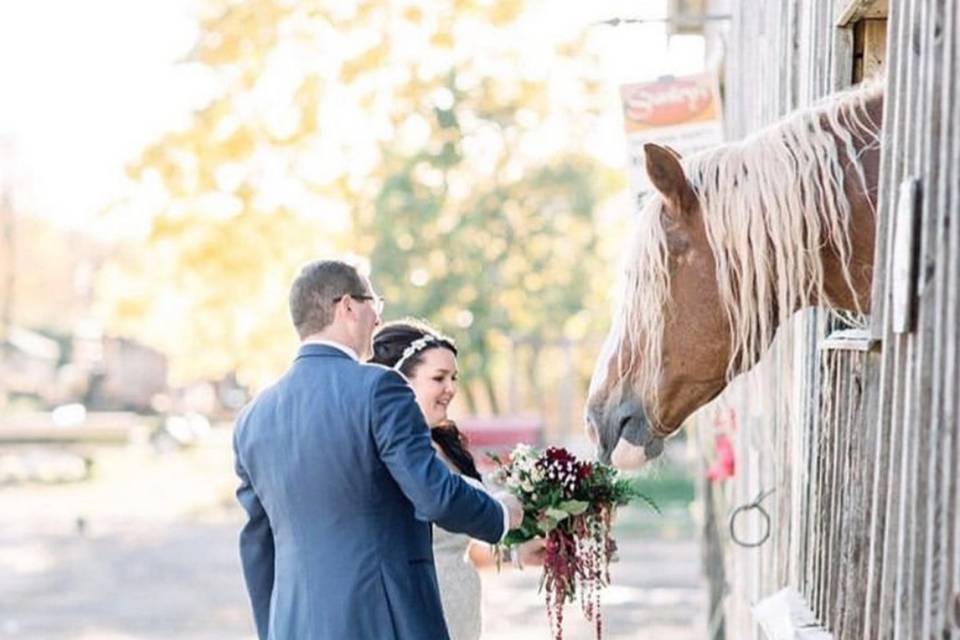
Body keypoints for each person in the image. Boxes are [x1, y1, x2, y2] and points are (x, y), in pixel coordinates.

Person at [232, 260, 523, 640]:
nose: (377, 320)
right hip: (385, 624)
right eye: (375, 305)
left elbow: (257, 546)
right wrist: (500, 514)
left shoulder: (253, 417)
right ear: (348, 306)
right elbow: (434, 495)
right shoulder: (379, 388)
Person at [370, 320, 544, 640]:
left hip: (460, 614)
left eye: (453, 378)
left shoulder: (443, 447)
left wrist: (516, 555)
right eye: (439, 378)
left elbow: (453, 545)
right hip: (416, 615)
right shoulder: (387, 459)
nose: (451, 388)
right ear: (399, 384)